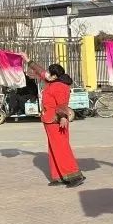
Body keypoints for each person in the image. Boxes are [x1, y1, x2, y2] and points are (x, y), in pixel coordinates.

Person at [21, 55, 85, 188]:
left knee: (62, 148)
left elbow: (62, 104)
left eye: (50, 72)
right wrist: (26, 59)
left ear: (55, 76)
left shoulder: (60, 86)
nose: (47, 73)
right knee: (53, 148)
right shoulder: (52, 81)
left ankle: (75, 175)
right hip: (49, 120)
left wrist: (62, 117)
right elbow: (40, 70)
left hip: (57, 121)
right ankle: (59, 176)